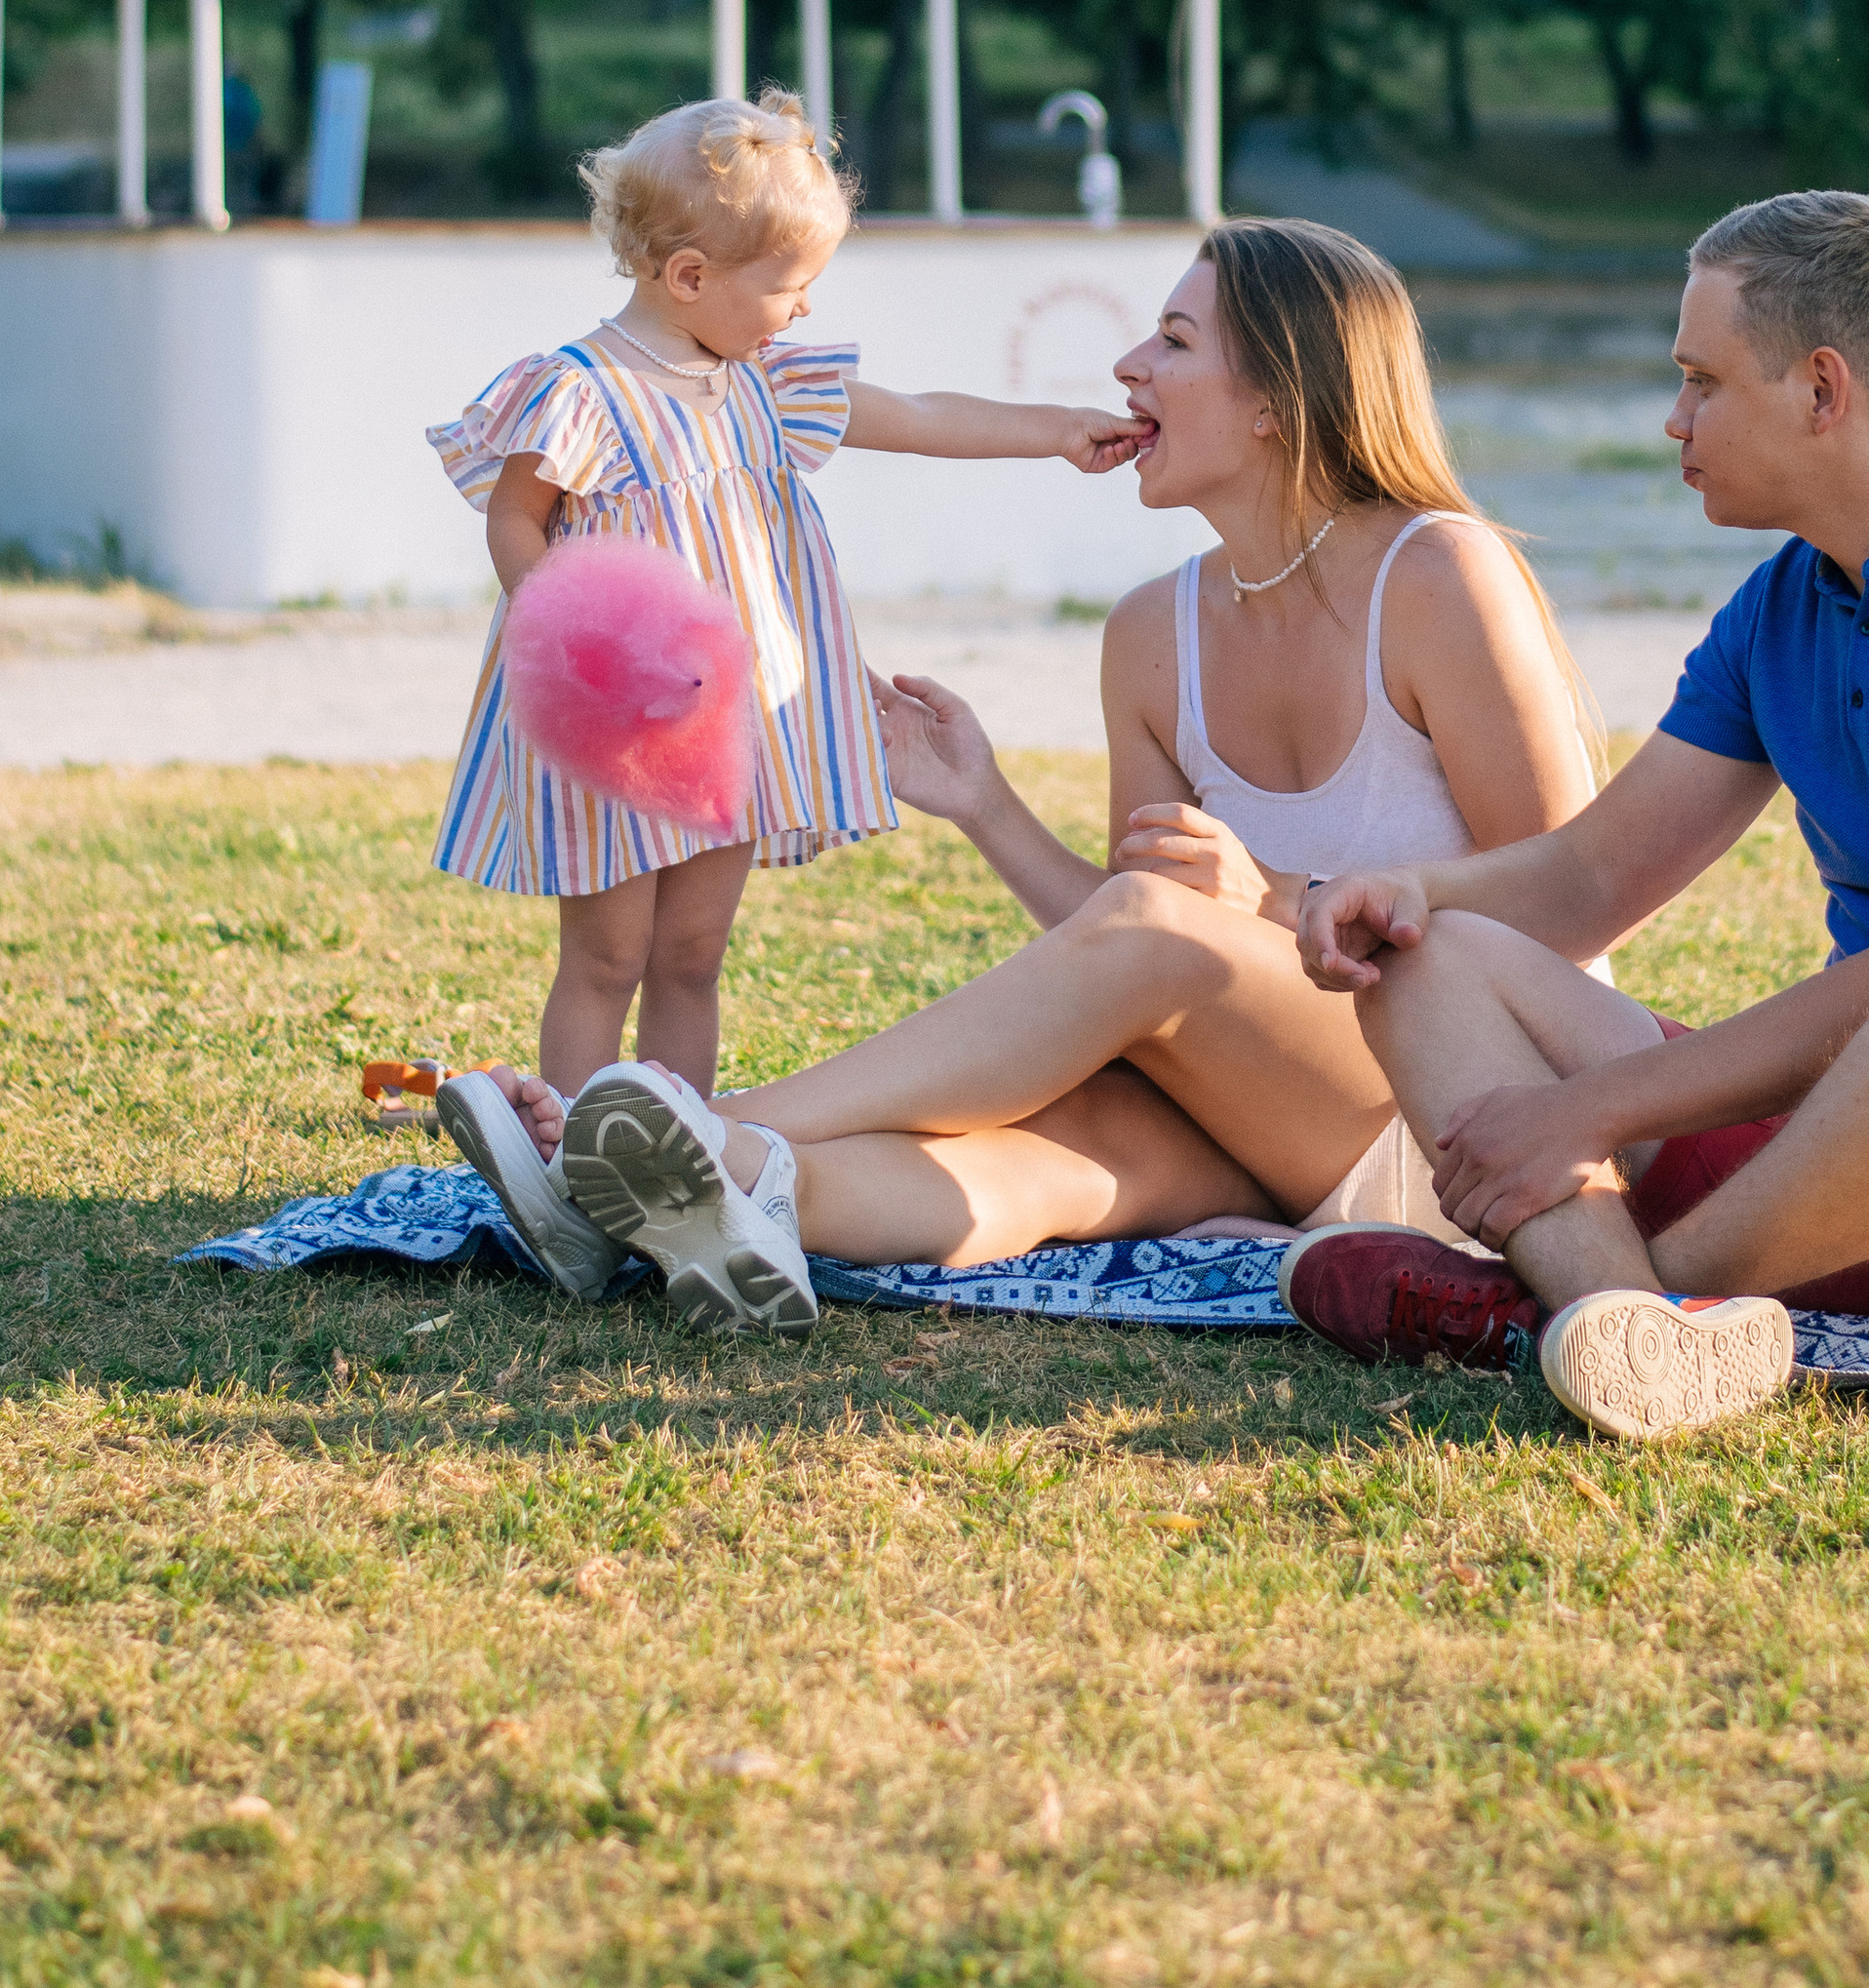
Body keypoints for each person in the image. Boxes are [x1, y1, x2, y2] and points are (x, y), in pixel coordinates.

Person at [447, 219, 1609, 1334]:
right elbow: (1124, 958)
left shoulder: (1440, 572)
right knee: (1027, 1170)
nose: (1127, 365)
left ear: (1275, 403)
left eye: (1174, 341)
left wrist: (1275, 901)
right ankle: (717, 1189)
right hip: (1253, 1115)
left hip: (1461, 1117)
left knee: (1164, 924)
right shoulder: (1156, 632)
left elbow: (1573, 905)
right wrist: (984, 805)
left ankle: (682, 1127)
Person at [1279, 189, 1869, 1446]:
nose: (1672, 421)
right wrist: (1411, 891)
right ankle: (1620, 1325)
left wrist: (1596, 1110)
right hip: (1846, 1174)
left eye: (1701, 382)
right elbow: (1590, 878)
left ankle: (1564, 1305)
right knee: (1428, 956)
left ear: (1822, 390)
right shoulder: (1780, 605)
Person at [430, 92, 1140, 1280]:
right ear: (692, 276)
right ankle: (566, 1180)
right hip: (619, 719)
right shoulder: (579, 393)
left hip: (730, 724)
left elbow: (918, 416)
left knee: (694, 954)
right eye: (788, 284)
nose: (803, 308)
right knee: (607, 954)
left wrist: (1054, 427)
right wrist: (583, 640)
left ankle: (672, 1164)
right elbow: (518, 526)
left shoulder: (766, 378)